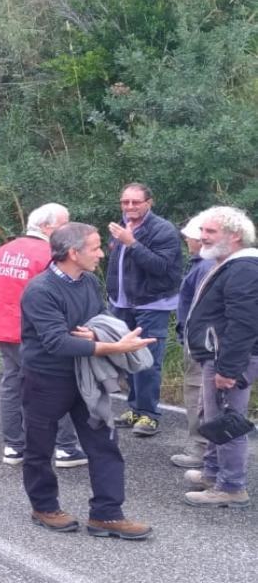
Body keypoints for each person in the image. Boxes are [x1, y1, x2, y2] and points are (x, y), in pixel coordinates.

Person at [20, 222, 154, 540]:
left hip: (87, 377)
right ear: (72, 253)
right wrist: (116, 347)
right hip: (46, 380)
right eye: (94, 247)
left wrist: (97, 333)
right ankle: (44, 507)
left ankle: (107, 515)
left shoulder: (90, 281)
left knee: (104, 444)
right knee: (39, 448)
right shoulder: (40, 291)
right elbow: (58, 343)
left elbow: (100, 316)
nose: (101, 252)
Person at [0, 203, 86, 468]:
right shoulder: (47, 254)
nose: (70, 229)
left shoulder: (5, 250)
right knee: (54, 385)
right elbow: (58, 295)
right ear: (47, 227)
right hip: (33, 332)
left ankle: (14, 446)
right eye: (65, 223)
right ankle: (65, 448)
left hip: (1, 328)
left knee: (12, 385)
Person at [183, 206, 258, 508]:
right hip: (220, 355)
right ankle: (213, 473)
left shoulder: (244, 268)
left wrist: (228, 368)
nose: (202, 237)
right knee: (212, 415)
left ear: (235, 236)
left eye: (210, 232)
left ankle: (231, 486)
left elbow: (244, 322)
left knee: (228, 419)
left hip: (230, 358)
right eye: (202, 231)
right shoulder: (230, 264)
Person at [106, 183, 183, 437]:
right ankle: (134, 408)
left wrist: (132, 244)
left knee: (148, 360)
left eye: (135, 202)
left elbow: (161, 267)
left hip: (151, 303)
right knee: (126, 357)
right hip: (121, 303)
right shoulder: (121, 226)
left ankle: (149, 414)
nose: (129, 207)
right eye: (125, 202)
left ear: (149, 202)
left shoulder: (163, 230)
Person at [169, 213, 215, 468]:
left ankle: (200, 448)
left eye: (189, 236)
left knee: (197, 391)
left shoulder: (205, 266)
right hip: (202, 339)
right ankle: (207, 450)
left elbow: (200, 308)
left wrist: (190, 339)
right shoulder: (203, 264)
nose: (186, 240)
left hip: (200, 342)